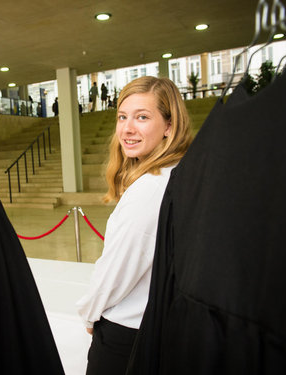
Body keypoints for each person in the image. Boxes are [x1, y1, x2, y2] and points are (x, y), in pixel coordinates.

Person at [76, 76, 193, 375]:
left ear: (169, 126)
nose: (127, 129)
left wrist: (90, 315)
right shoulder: (177, 173)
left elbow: (117, 271)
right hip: (156, 328)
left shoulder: (150, 188)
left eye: (142, 117)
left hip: (125, 334)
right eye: (122, 117)